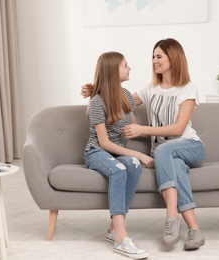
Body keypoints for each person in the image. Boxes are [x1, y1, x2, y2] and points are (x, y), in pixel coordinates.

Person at [81, 38, 205, 251]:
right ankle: (194, 230)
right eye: (153, 56)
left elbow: (177, 129)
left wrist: (143, 131)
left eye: (159, 56)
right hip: (165, 155)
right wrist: (93, 91)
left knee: (162, 149)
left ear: (173, 58)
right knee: (173, 167)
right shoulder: (149, 89)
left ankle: (171, 218)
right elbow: (114, 98)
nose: (154, 61)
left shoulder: (188, 89)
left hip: (189, 145)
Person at [84, 51, 153, 259]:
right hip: (97, 152)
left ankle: (114, 228)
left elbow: (133, 127)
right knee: (121, 167)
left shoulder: (126, 96)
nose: (129, 68)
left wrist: (150, 134)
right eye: (125, 65)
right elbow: (104, 143)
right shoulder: (97, 102)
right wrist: (139, 154)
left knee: (132, 164)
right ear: (114, 71)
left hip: (117, 153)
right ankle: (122, 239)